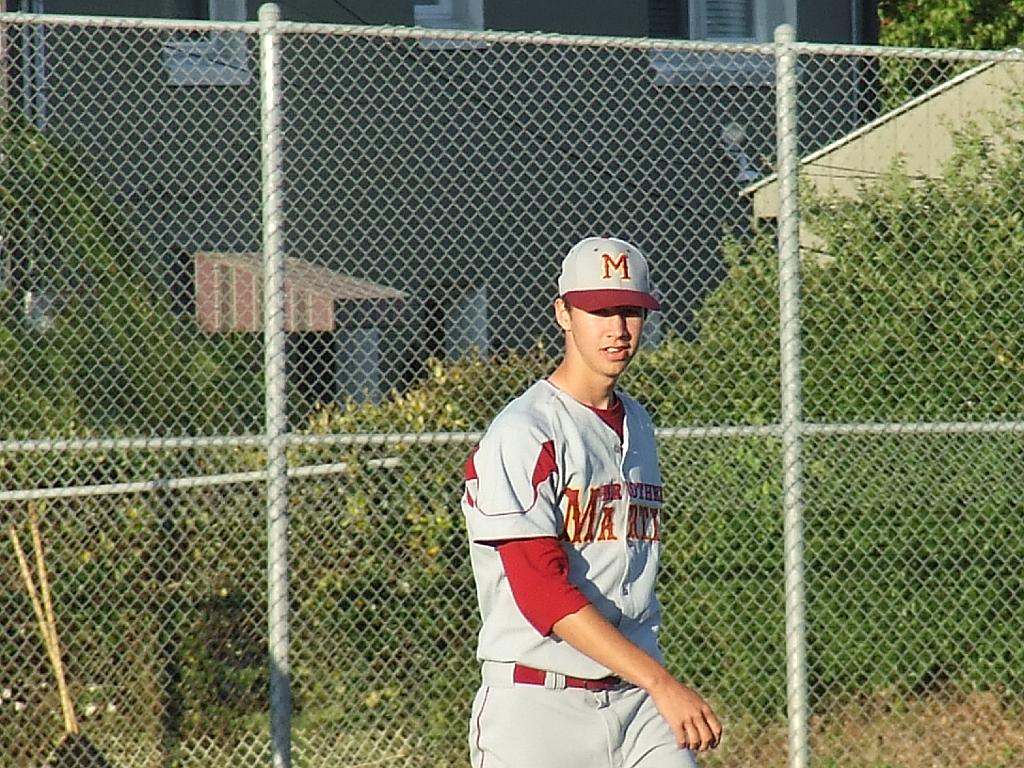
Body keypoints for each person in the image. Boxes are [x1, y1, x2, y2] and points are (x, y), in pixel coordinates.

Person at [461, 236, 723, 768]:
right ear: (563, 313)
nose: (617, 329)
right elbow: (541, 592)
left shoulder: (639, 424)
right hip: (539, 709)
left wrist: (649, 681)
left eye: (630, 311)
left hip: (635, 701)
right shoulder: (526, 432)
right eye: (599, 310)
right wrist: (662, 682)